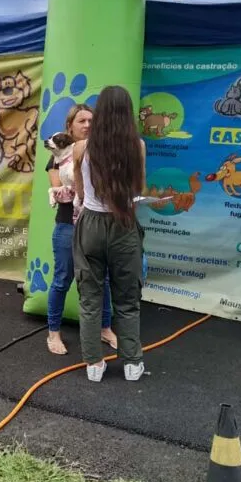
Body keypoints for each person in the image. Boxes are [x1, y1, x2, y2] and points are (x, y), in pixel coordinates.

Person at [72, 85, 146, 383]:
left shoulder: (81, 148)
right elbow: (139, 189)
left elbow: (79, 192)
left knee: (90, 297)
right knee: (127, 298)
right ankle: (131, 363)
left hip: (90, 223)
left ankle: (93, 364)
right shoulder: (137, 146)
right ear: (127, 113)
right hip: (123, 224)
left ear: (99, 113)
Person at [46, 104, 117, 355]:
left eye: (91, 121)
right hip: (68, 225)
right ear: (70, 127)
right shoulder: (57, 156)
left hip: (98, 225)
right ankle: (53, 332)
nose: (87, 125)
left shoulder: (102, 153)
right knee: (63, 278)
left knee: (103, 279)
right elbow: (61, 192)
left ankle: (105, 328)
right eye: (81, 121)